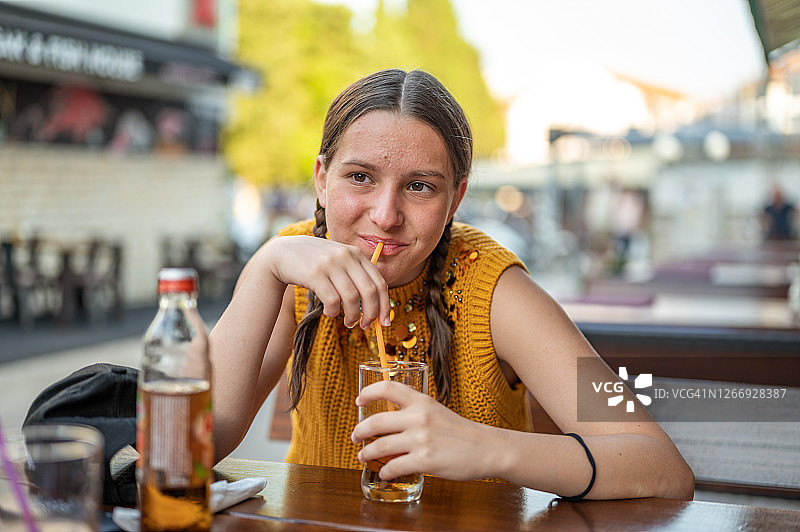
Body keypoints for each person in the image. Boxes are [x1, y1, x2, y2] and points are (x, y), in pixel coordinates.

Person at [209, 69, 694, 501]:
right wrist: (265, 267)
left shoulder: (490, 287)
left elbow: (663, 468)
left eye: (419, 186)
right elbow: (199, 443)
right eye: (359, 177)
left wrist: (484, 447)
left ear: (455, 198)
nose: (386, 216)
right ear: (321, 179)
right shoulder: (292, 269)